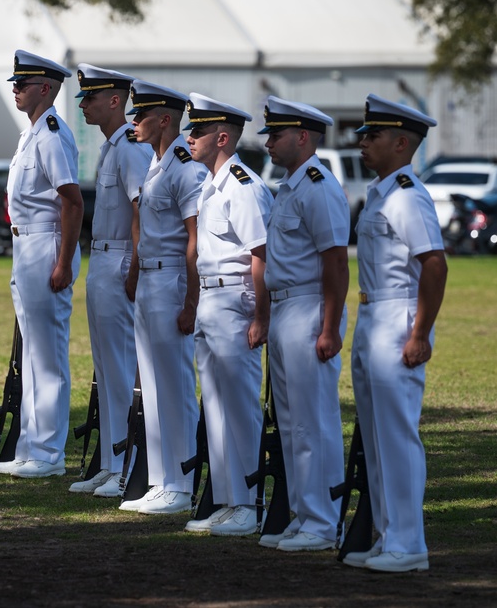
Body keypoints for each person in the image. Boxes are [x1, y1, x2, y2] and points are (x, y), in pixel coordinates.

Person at [343, 94, 447, 573]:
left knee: (397, 436)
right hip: (372, 316)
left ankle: (409, 544)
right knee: (377, 437)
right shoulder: (383, 192)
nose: (364, 143)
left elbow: (434, 264)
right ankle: (387, 538)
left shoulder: (407, 195)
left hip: (397, 318)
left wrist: (420, 332)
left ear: (402, 143)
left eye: (374, 136)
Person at [256, 96, 350, 553]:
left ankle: (323, 521)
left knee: (314, 422)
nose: (269, 143)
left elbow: (335, 261)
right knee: (291, 423)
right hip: (285, 309)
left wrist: (330, 327)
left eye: (276, 134)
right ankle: (302, 513)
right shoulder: (290, 186)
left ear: (303, 137)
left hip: (310, 308)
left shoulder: (318, 186)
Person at [181, 93, 272, 535]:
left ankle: (250, 503)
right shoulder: (210, 183)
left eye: (196, 130)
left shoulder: (243, 185)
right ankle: (227, 497)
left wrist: (261, 316)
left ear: (221, 137)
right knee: (214, 406)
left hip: (237, 302)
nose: (189, 136)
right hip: (213, 303)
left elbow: (262, 255)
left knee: (238, 406)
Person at [0, 50, 84, 479]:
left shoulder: (50, 134)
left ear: (44, 89)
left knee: (47, 354)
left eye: (22, 84)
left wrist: (63, 261)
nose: (15, 89)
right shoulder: (31, 133)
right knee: (32, 352)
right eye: (15, 83)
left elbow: (71, 200)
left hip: (47, 244)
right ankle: (30, 446)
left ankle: (48, 452)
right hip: (26, 246)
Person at [119, 80, 206, 515]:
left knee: (174, 385)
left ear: (165, 120)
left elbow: (195, 241)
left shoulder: (185, 167)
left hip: (172, 280)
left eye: (142, 115)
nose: (134, 122)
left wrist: (191, 303)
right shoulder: (156, 164)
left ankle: (182, 481)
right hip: (151, 280)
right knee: (151, 385)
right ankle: (161, 480)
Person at [69, 64, 152, 497]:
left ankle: (126, 461)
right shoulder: (112, 147)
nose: (84, 104)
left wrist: (134, 268)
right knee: (104, 368)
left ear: (116, 100)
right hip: (101, 258)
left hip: (119, 259)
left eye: (92, 97)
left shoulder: (131, 148)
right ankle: (109, 462)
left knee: (120, 367)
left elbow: (141, 212)